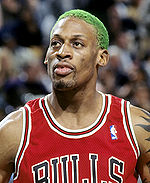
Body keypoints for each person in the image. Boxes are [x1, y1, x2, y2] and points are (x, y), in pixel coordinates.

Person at [0, 9, 150, 183]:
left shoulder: (135, 126)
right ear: (46, 57)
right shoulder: (14, 130)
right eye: (55, 43)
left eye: (77, 43)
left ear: (101, 58)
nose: (62, 52)